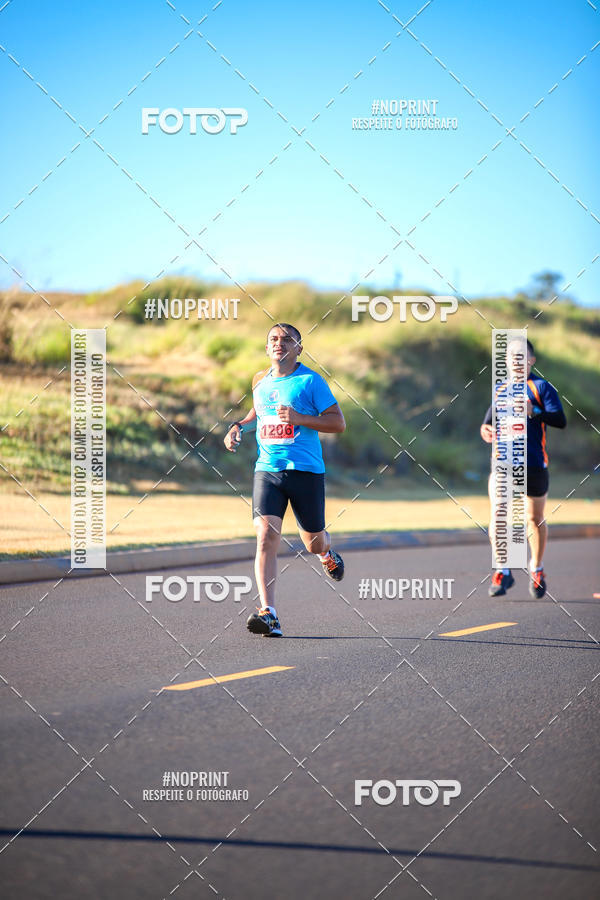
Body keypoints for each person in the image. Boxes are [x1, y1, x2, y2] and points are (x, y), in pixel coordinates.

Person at [223, 323, 346, 636]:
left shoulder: (310, 381)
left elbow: (337, 423)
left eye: (287, 339)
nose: (279, 344)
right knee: (265, 534)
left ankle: (326, 552)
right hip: (268, 469)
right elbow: (258, 414)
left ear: (298, 349)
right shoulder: (259, 380)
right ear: (267, 348)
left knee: (312, 541)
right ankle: (269, 613)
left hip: (306, 471)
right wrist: (238, 426)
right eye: (273, 339)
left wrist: (300, 418)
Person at [480, 338, 566, 599]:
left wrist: (534, 411)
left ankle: (536, 568)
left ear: (531, 360)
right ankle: (504, 570)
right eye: (512, 356)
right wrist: (485, 428)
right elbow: (490, 417)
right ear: (506, 361)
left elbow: (560, 420)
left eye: (522, 356)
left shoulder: (542, 387)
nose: (517, 361)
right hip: (503, 463)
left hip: (534, 464)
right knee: (499, 513)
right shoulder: (501, 388)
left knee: (534, 519)